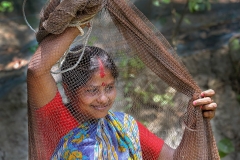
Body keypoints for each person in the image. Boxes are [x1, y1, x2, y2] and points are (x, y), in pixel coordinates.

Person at [27, 26, 217, 160]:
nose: (103, 98)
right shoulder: (53, 117)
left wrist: (195, 120)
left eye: (109, 87)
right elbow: (36, 71)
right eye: (92, 90)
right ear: (69, 89)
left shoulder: (122, 127)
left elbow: (176, 158)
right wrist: (78, 25)